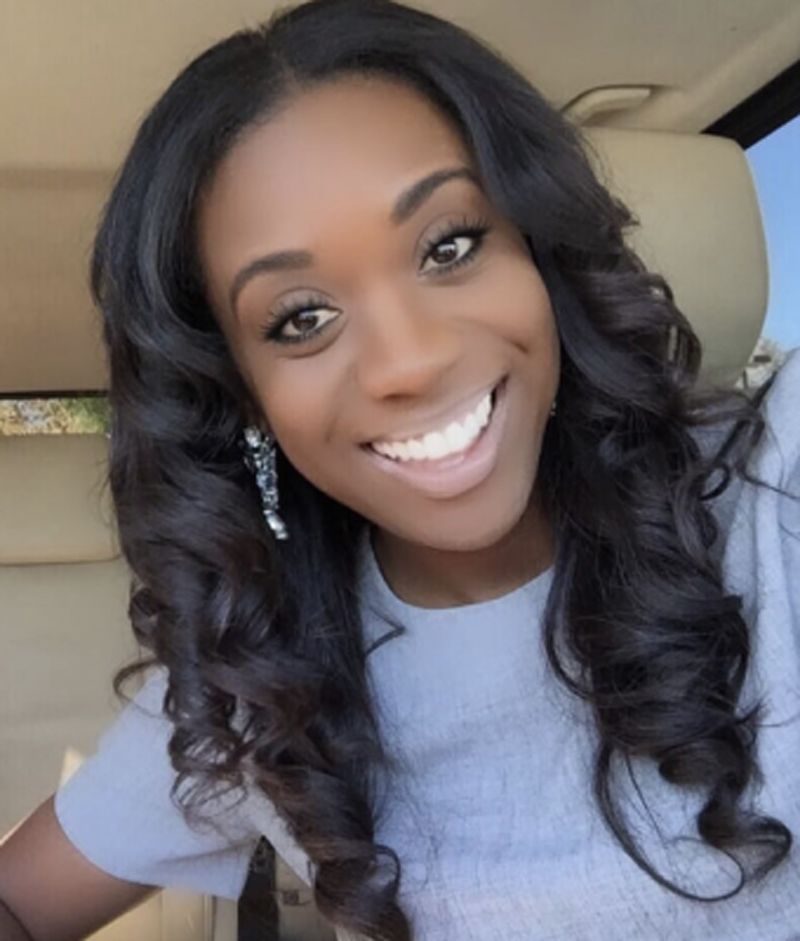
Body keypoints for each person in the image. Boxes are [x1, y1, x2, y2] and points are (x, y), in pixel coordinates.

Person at [1, 1, 798, 938]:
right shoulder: (255, 681)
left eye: (449, 246)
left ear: (539, 250)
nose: (409, 361)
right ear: (245, 393)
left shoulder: (767, 492)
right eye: (300, 319)